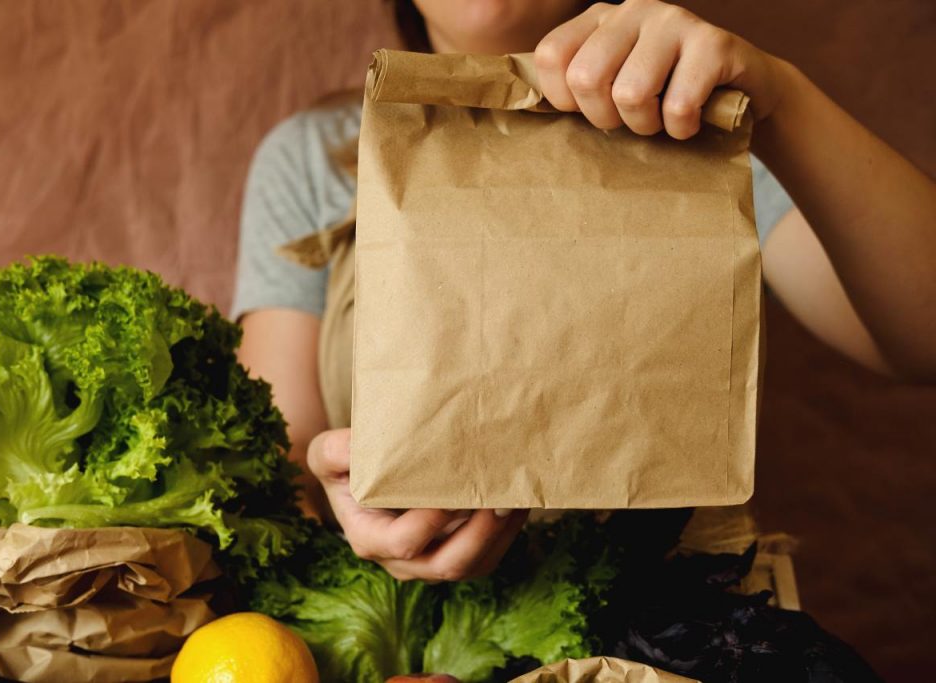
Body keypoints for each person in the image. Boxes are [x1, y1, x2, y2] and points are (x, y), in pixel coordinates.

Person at [233, 0, 936, 583]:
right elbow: (284, 452)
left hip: (676, 629)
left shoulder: (698, 117)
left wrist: (782, 101)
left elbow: (923, 340)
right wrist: (333, 488)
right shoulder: (310, 156)